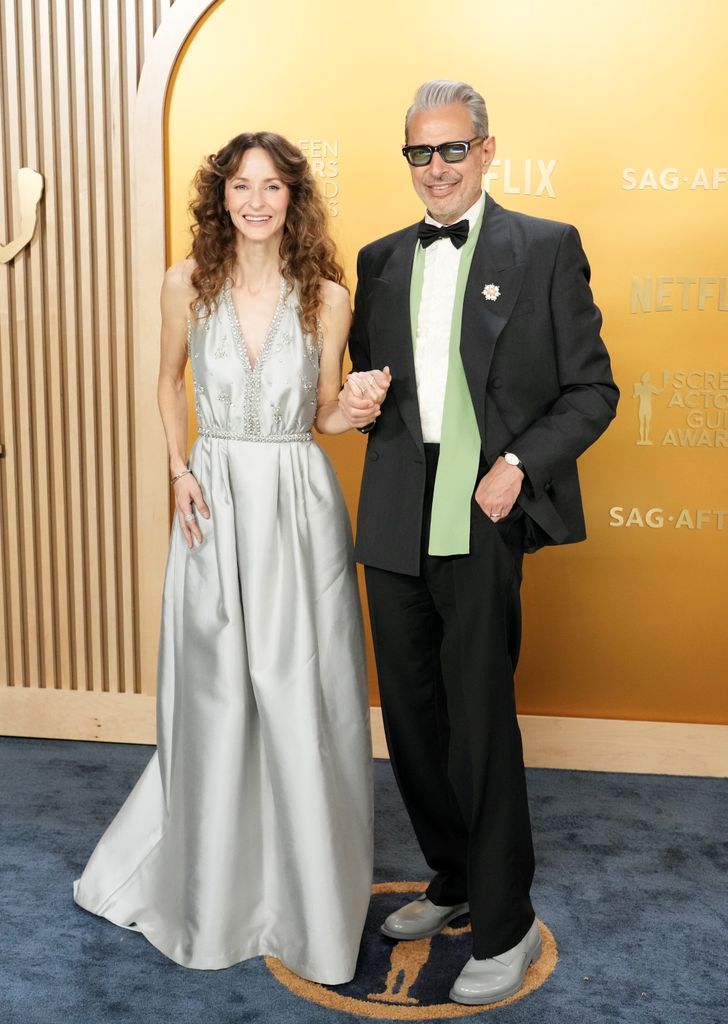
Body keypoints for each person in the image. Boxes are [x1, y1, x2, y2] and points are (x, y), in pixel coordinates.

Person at [339, 80, 618, 1005]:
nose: (436, 170)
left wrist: (517, 465)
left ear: (487, 151)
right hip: (393, 513)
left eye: (452, 150)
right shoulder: (379, 260)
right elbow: (361, 388)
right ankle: (451, 880)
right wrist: (356, 402)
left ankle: (503, 922)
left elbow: (592, 391)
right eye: (419, 154)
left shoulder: (544, 248)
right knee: (413, 722)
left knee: (480, 723)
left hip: (483, 510)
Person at [74, 132, 373, 984]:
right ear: (221, 196)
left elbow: (323, 414)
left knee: (298, 689)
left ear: (293, 199)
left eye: (272, 186)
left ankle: (304, 886)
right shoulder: (185, 283)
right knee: (214, 688)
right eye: (241, 185)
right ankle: (211, 881)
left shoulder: (327, 297)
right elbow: (167, 381)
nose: (255, 200)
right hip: (209, 493)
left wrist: (358, 405)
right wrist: (178, 471)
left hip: (294, 500)